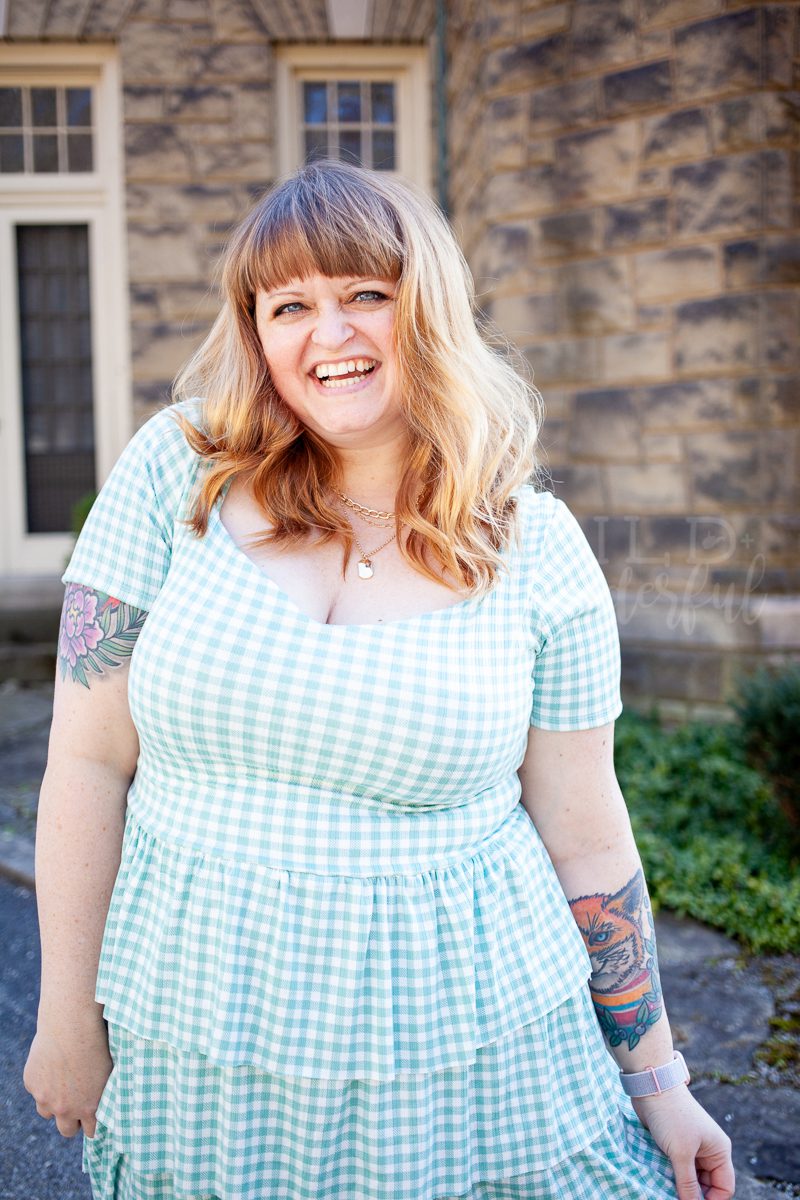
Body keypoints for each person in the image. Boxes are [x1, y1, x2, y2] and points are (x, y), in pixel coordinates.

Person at [24, 159, 735, 1200]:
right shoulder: (174, 472)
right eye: (290, 306)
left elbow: (586, 833)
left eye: (366, 293)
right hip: (197, 1040)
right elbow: (87, 761)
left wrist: (658, 1080)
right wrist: (63, 1012)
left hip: (472, 1061)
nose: (331, 334)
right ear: (255, 331)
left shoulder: (535, 548)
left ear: (427, 309)